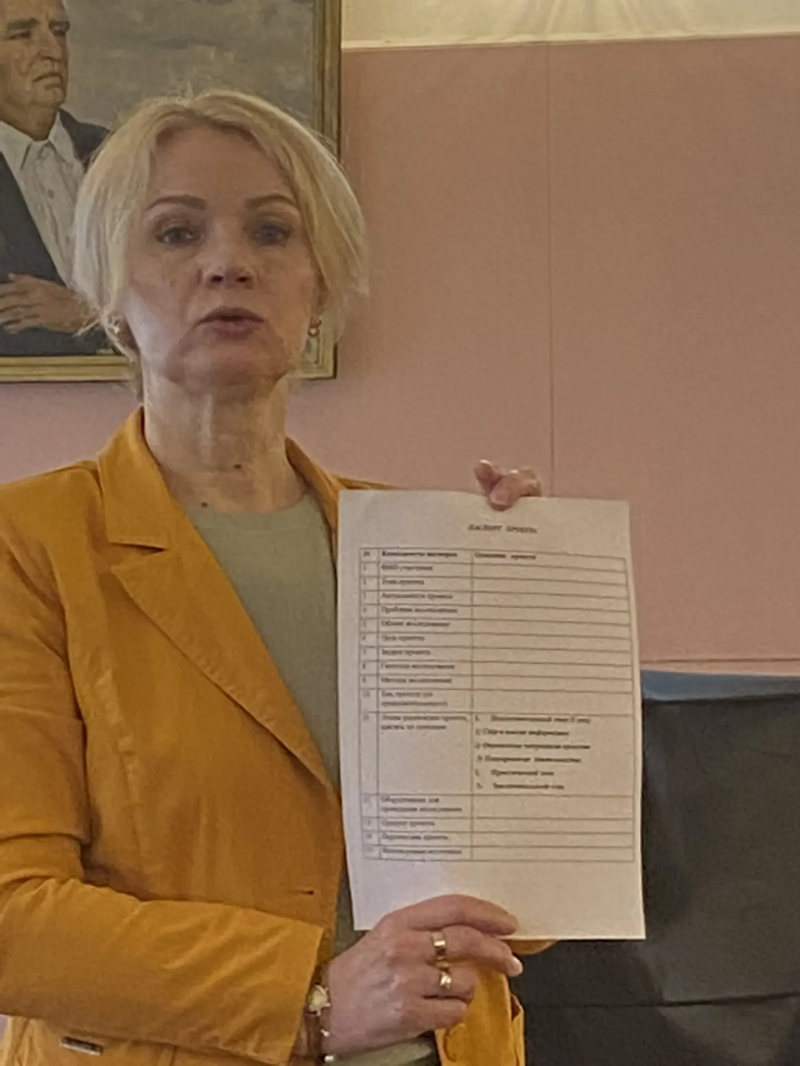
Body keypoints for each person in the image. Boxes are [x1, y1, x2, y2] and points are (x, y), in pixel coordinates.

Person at [0, 89, 550, 1066]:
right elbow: (14, 919)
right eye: (176, 232)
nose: (229, 262)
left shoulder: (420, 551)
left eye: (271, 230)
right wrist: (310, 997)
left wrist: (537, 609)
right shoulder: (28, 546)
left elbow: (530, 906)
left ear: (319, 290)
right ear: (110, 298)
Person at [0, 0, 106, 355]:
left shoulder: (118, 156)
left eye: (59, 32)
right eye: (23, 34)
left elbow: (175, 297)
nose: (53, 52)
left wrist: (87, 315)